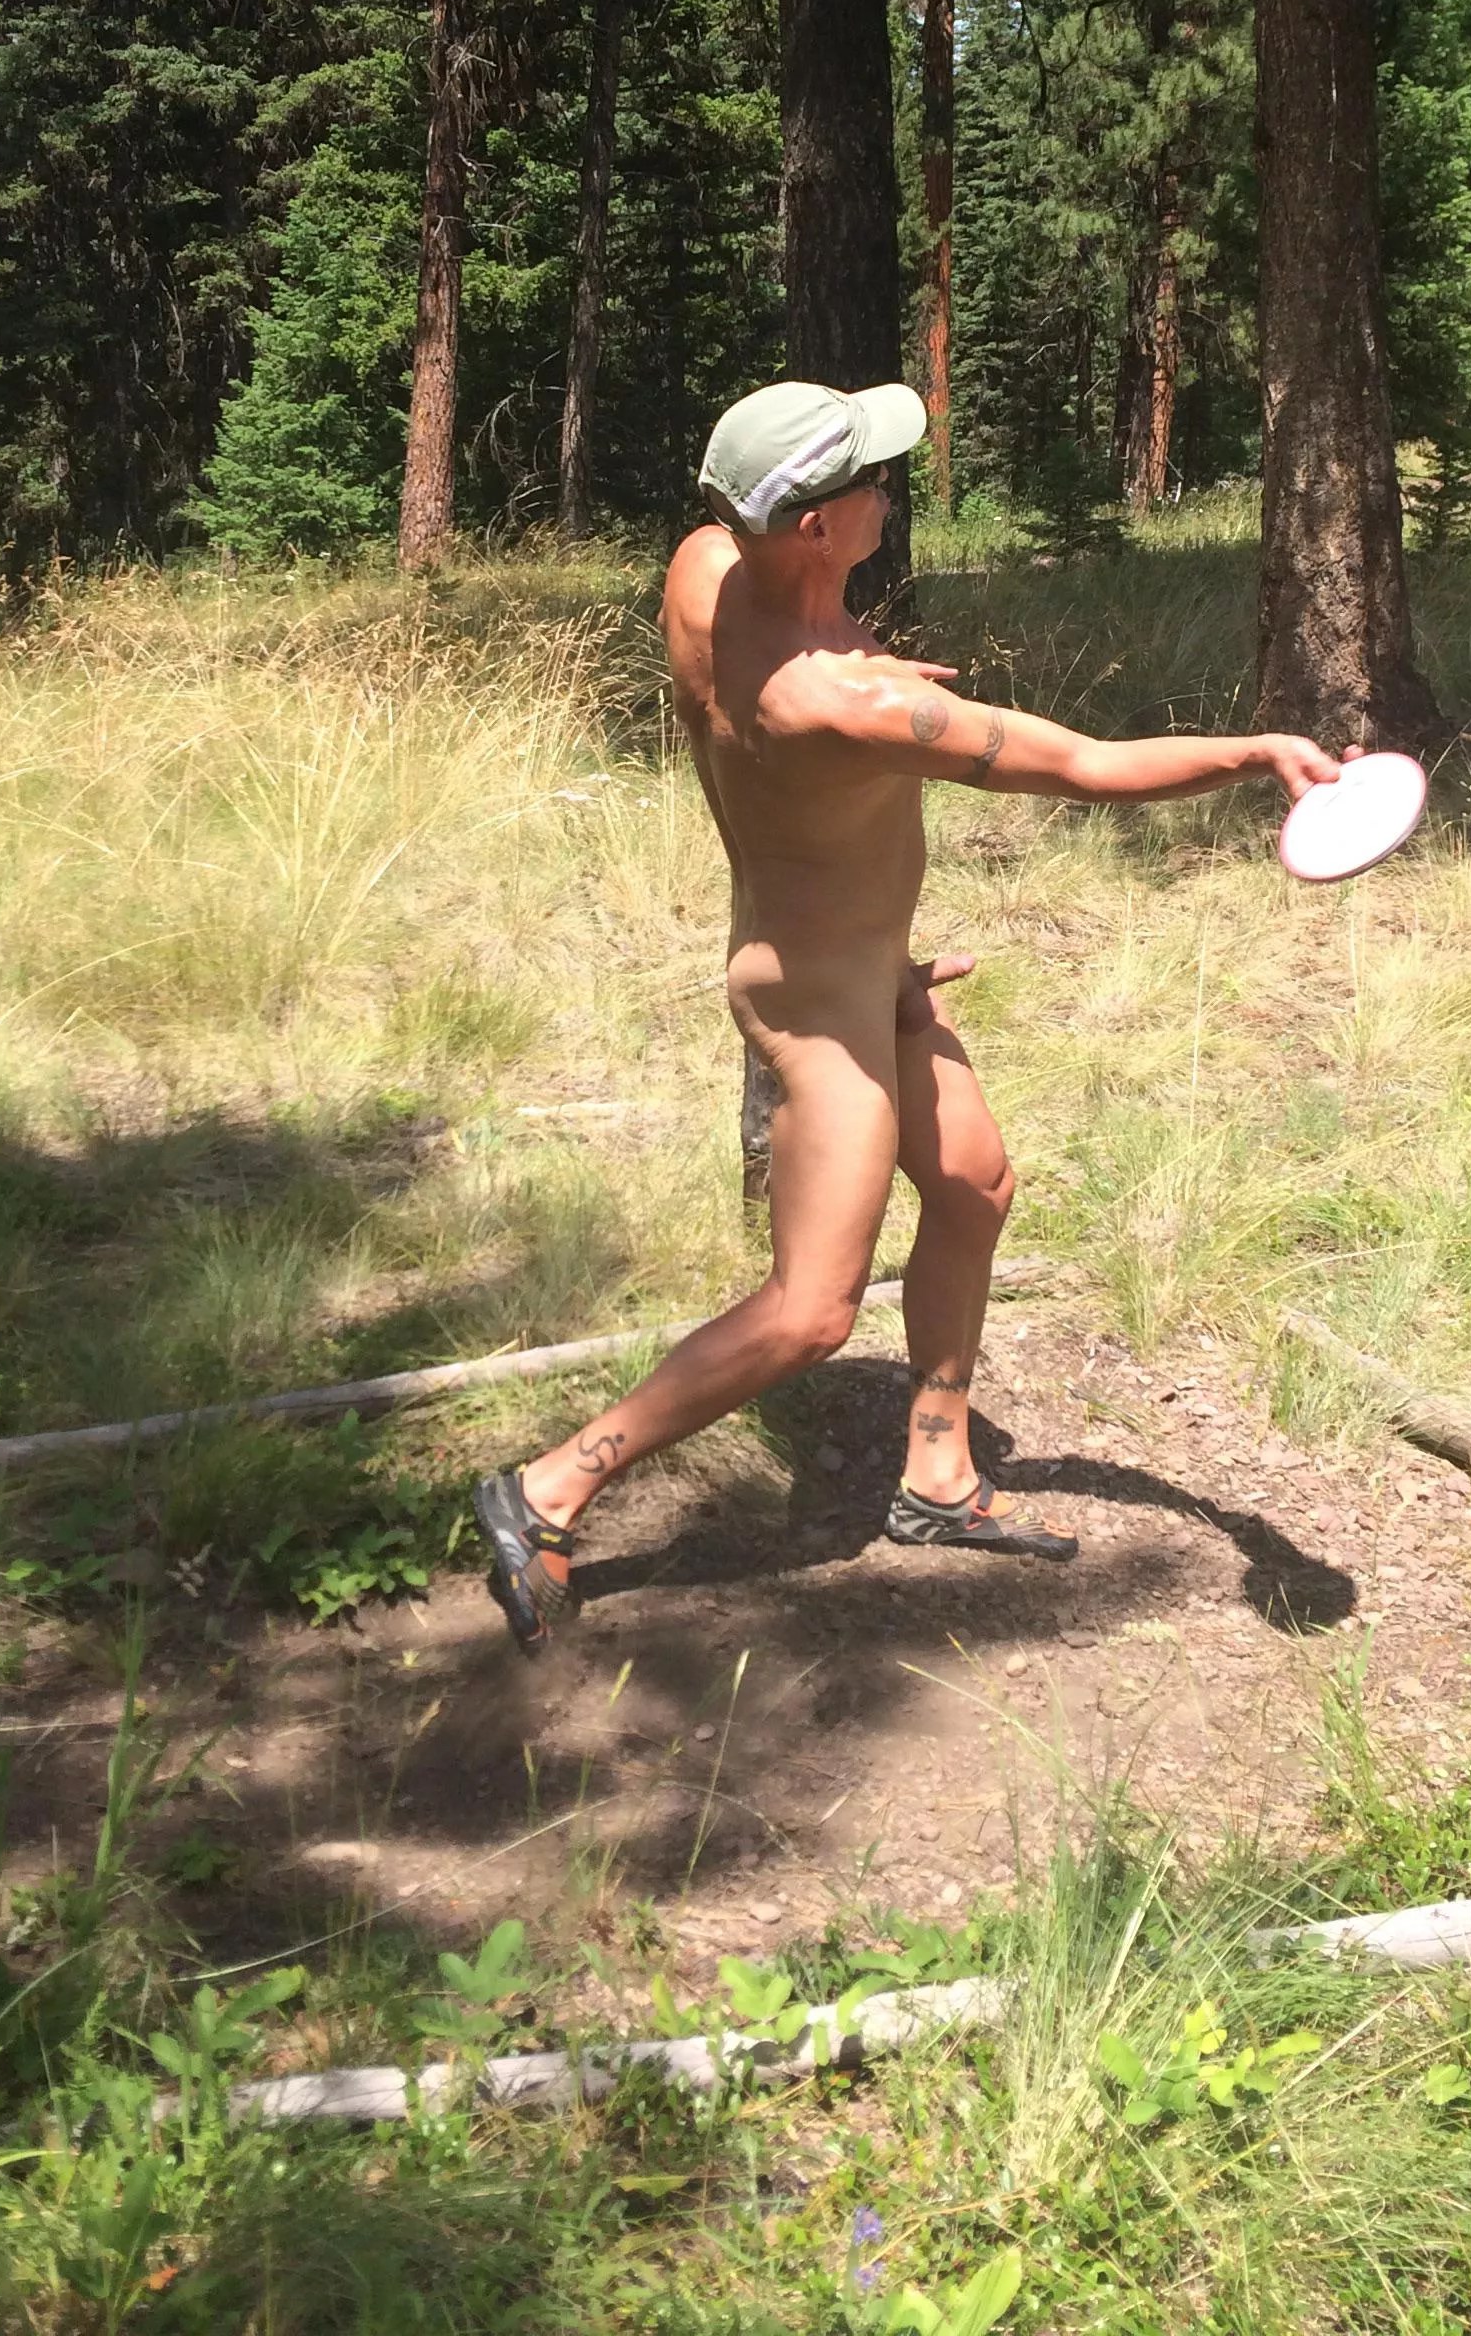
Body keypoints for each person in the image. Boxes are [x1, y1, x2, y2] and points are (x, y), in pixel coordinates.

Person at [471, 378, 1343, 1650]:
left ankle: (937, 1472)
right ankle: (549, 1486)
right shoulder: (854, 705)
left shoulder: (708, 563)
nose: (893, 492)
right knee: (814, 1310)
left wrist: (853, 660)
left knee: (976, 1185)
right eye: (874, 479)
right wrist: (1255, 753)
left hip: (851, 963)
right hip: (819, 1012)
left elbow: (784, 662)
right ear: (814, 524)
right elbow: (1090, 767)